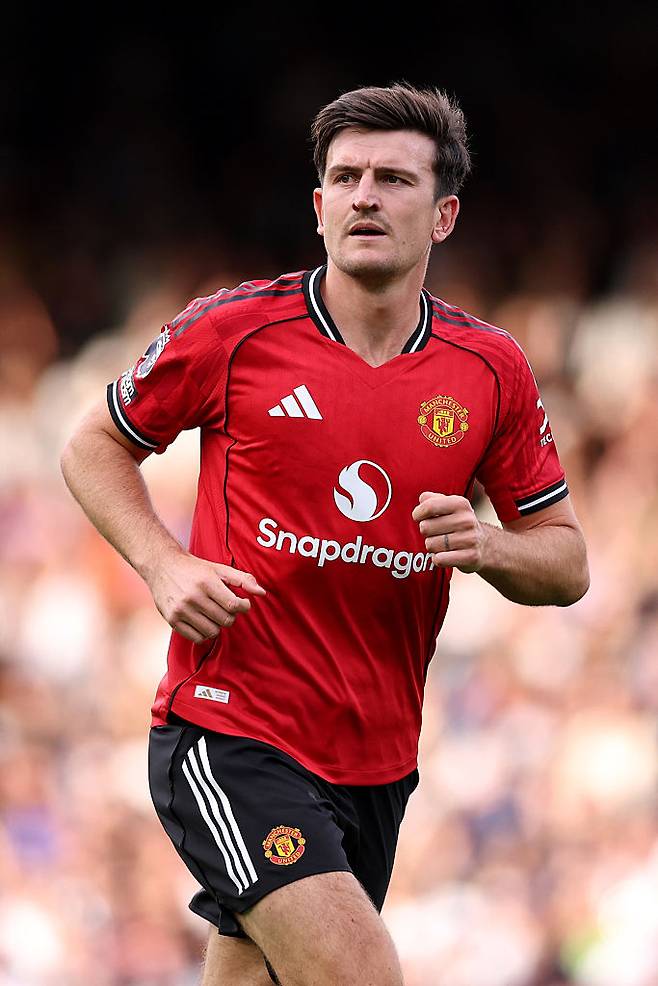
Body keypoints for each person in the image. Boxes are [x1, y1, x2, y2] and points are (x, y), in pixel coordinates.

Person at [61, 83, 589, 986]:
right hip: (230, 731)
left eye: (394, 179)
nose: (365, 197)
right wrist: (163, 564)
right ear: (318, 206)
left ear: (444, 215)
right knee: (359, 971)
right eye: (345, 178)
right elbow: (93, 445)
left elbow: (568, 562)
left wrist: (488, 545)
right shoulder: (235, 330)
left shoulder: (489, 368)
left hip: (376, 761)